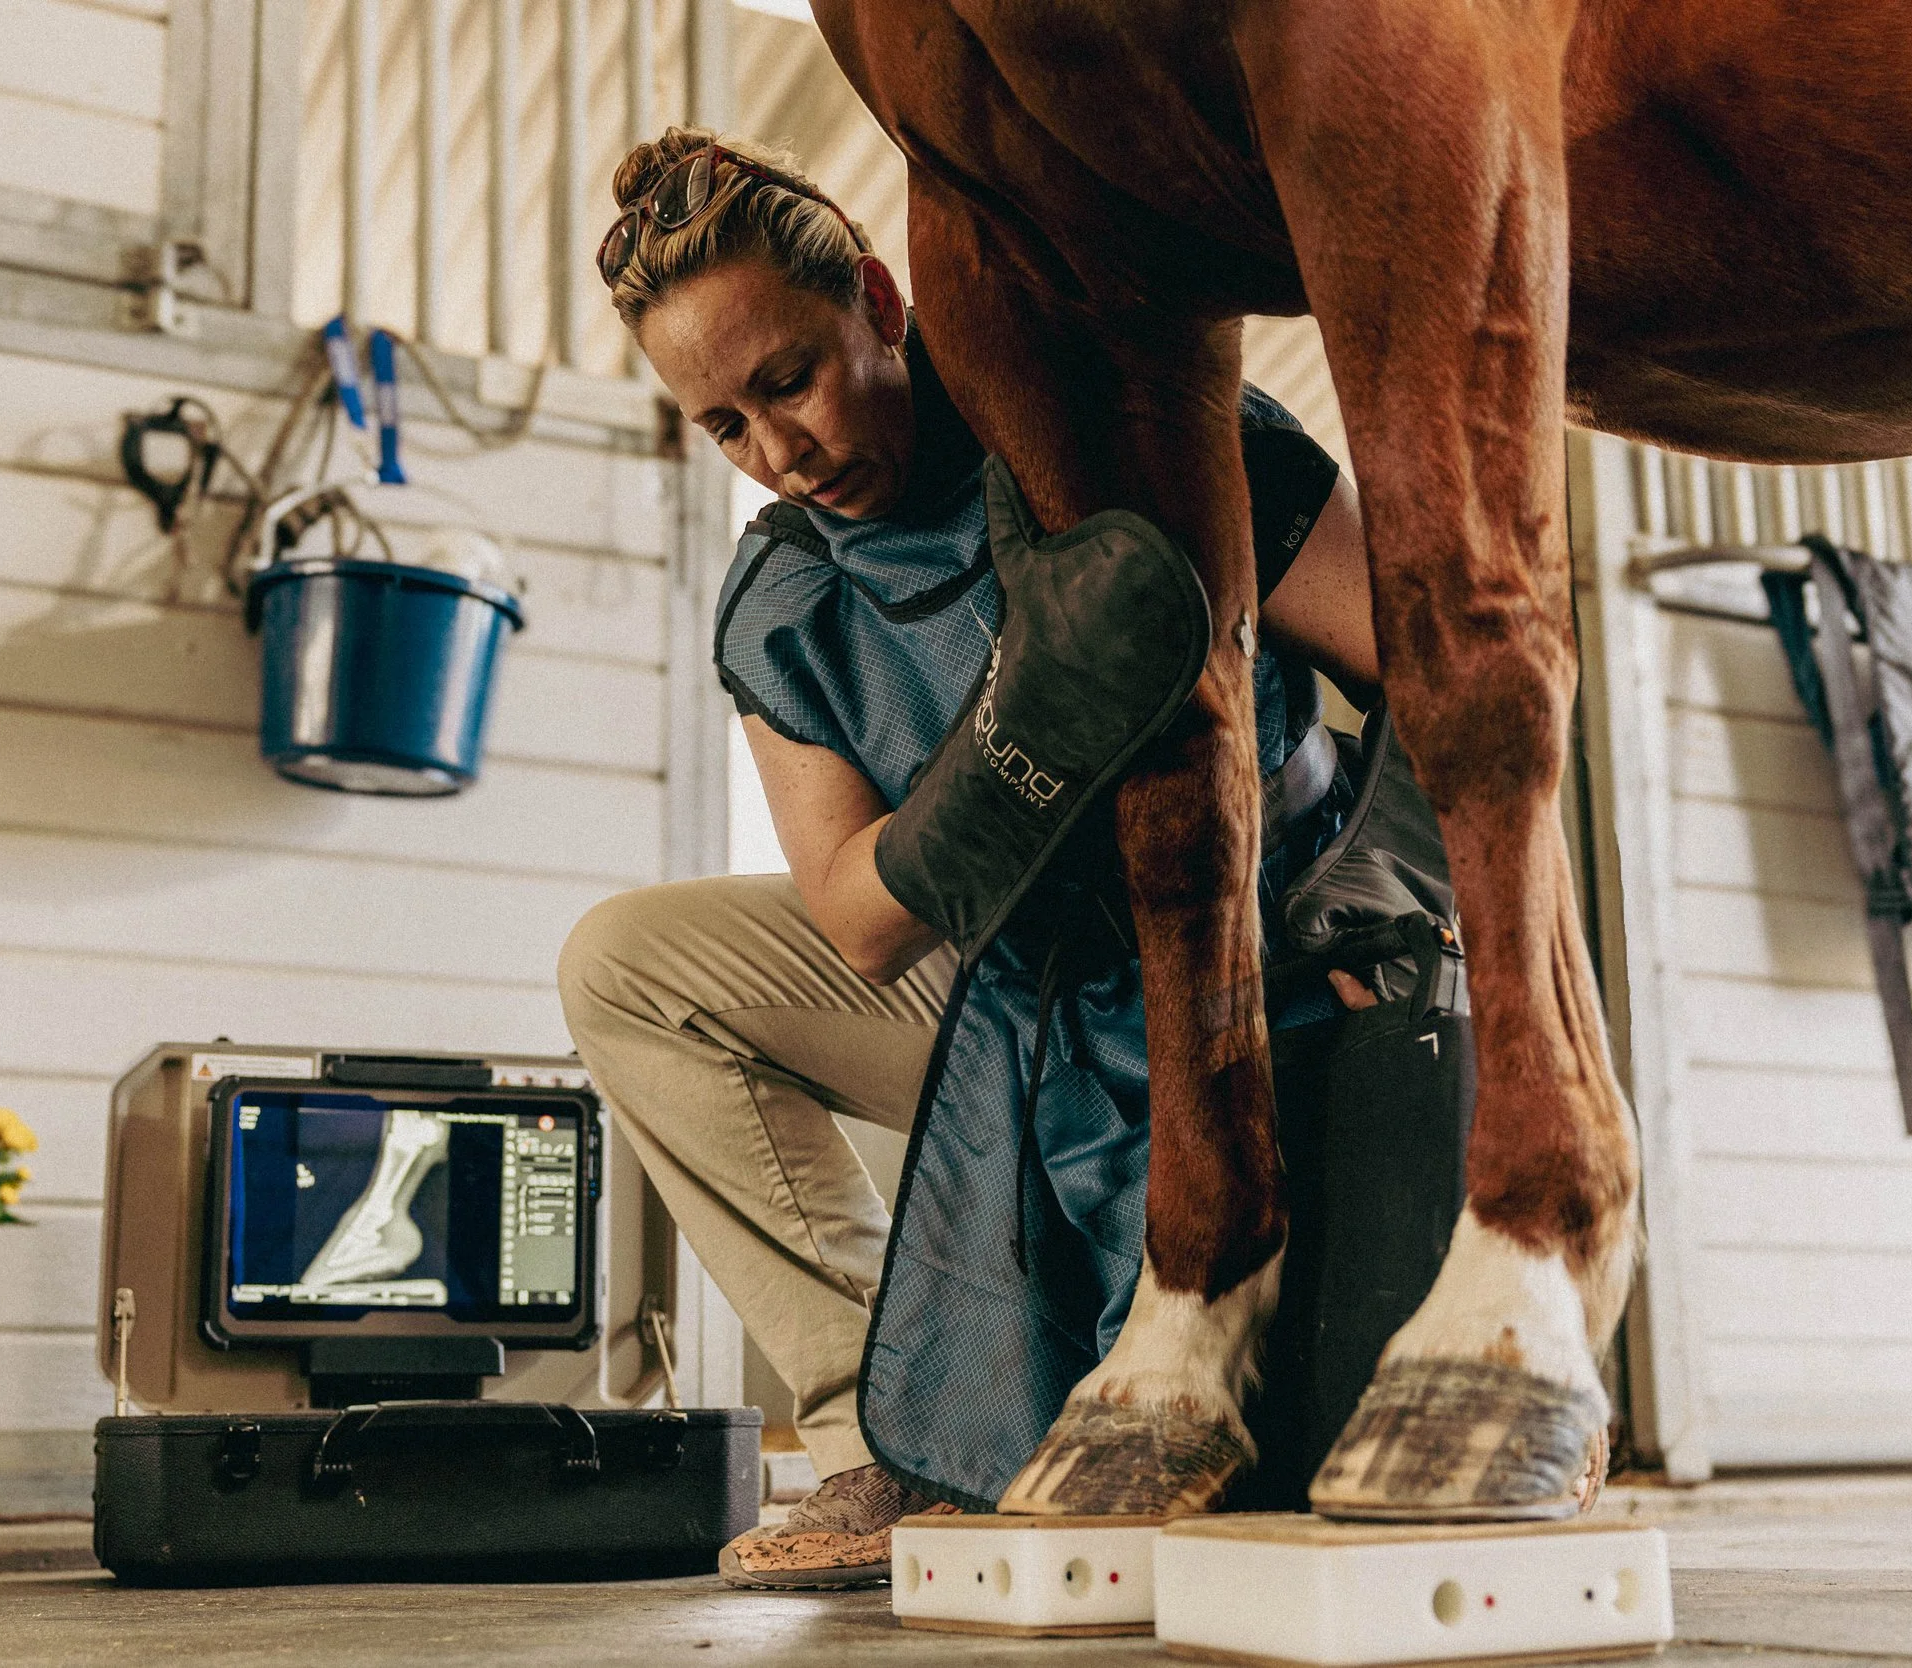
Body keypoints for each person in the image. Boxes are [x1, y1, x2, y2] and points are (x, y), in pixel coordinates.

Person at [560, 129, 1457, 1589]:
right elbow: (856, 919)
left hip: (1266, 964)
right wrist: (1019, 735)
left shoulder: (1135, 432)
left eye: (788, 379)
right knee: (625, 965)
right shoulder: (784, 598)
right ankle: (879, 1437)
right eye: (724, 424)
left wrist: (1384, 922)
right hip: (1012, 994)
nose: (777, 450)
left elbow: (1436, 668)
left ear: (880, 302)